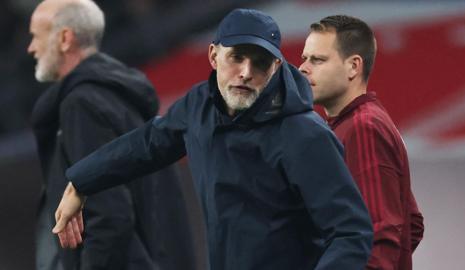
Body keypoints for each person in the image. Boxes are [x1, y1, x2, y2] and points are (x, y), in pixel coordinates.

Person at [52, 8, 374, 270]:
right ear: (213, 56)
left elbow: (351, 232)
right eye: (237, 57)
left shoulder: (305, 136)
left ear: (276, 66)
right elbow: (147, 144)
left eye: (260, 62)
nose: (246, 71)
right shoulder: (199, 106)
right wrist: (81, 182)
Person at [28, 0, 198, 269]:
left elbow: (110, 216)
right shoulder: (118, 96)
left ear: (64, 38)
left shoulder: (83, 104)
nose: (31, 48)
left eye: (36, 37)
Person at [299, 15, 424, 270]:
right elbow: (412, 224)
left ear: (353, 67)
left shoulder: (363, 128)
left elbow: (378, 235)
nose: (303, 68)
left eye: (318, 60)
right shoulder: (357, 123)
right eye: (304, 58)